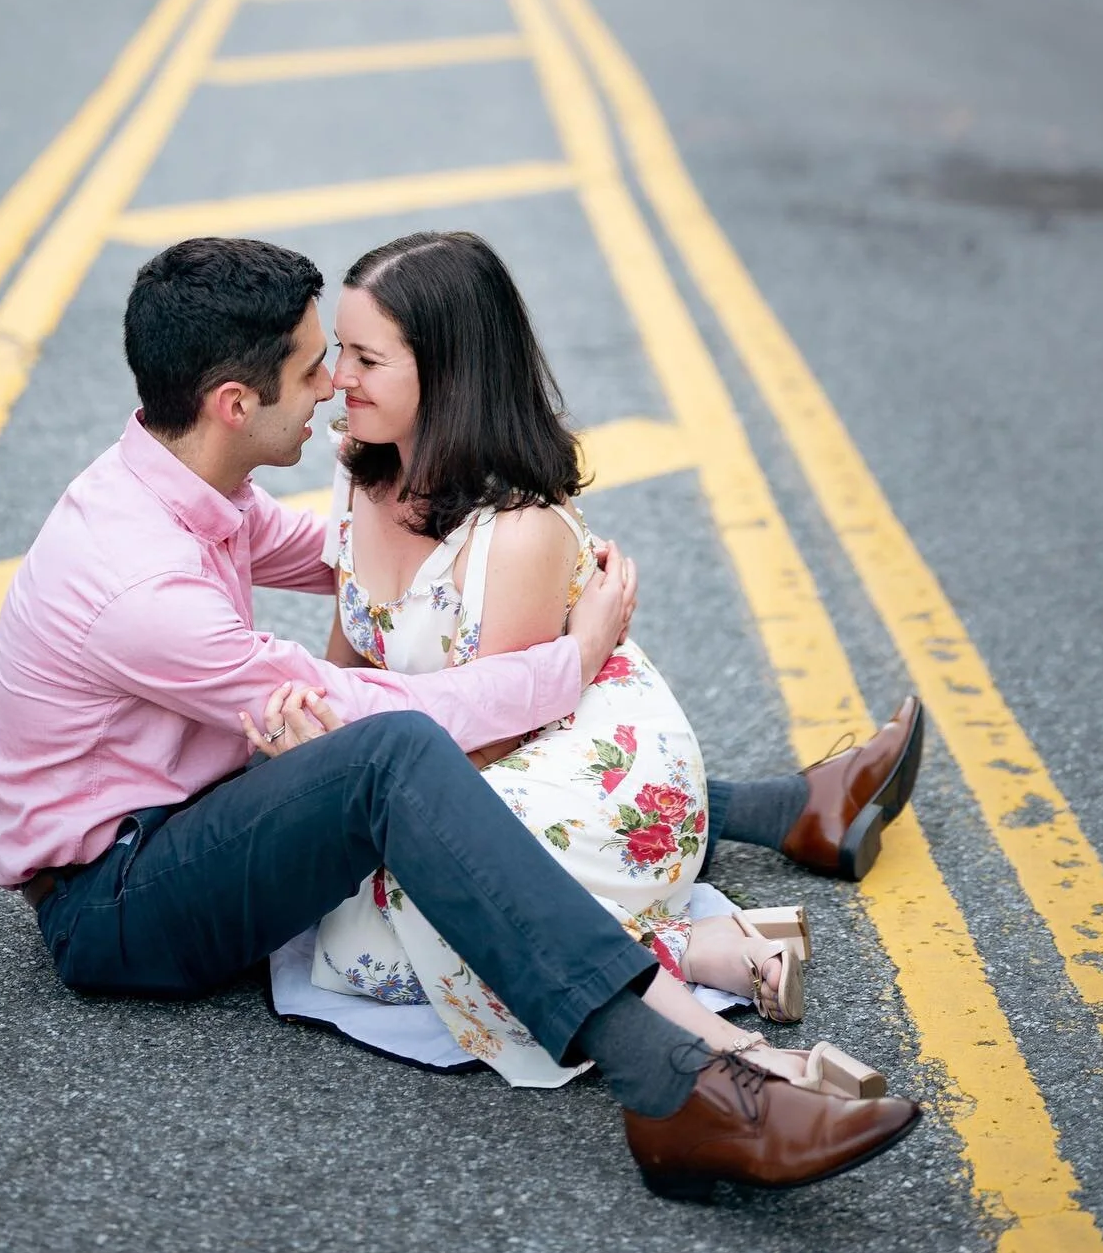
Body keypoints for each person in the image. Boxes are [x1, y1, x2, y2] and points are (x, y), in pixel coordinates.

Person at [0, 236, 920, 1199]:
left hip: (192, 811)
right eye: (314, 371)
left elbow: (345, 558)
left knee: (430, 756)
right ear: (235, 403)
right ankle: (677, 1082)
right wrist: (571, 660)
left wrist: (474, 530)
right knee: (396, 758)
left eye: (346, 360)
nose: (333, 387)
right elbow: (377, 708)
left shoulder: (183, 484)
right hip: (116, 897)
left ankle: (784, 812)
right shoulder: (141, 584)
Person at [252, 230, 922, 1094]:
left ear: (448, 370)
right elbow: (350, 658)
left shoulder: (519, 532)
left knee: (374, 934)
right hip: (444, 759)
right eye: (341, 350)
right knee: (354, 913)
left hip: (573, 766)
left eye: (366, 358)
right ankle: (715, 943)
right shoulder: (358, 467)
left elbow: (490, 739)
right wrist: (320, 729)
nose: (339, 377)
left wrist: (334, 774)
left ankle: (696, 965)